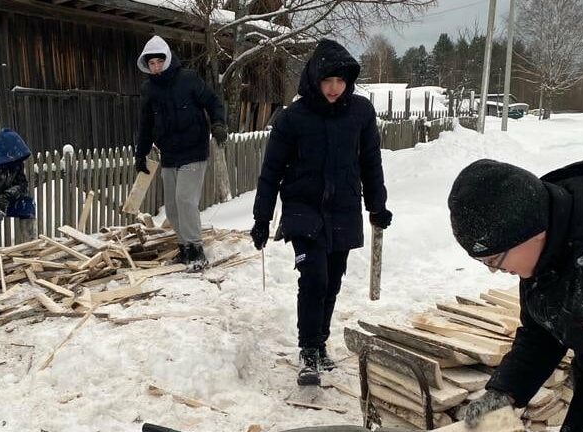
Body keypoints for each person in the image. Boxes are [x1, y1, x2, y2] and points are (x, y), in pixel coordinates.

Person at [250, 39, 392, 386]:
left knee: (333, 281)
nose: (333, 88)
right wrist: (261, 219)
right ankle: (308, 351)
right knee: (314, 279)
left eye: (340, 81)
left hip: (343, 210)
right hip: (303, 211)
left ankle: (321, 342)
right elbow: (272, 171)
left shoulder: (360, 112)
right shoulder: (293, 118)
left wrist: (377, 205)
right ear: (314, 78)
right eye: (327, 80)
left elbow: (370, 161)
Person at [448, 158, 583, 432]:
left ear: (532, 234)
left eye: (494, 259)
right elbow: (543, 332)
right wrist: (505, 393)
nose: (493, 271)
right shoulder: (544, 249)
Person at [134, 35, 228, 271]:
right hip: (169, 154)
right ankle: (184, 247)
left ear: (167, 60)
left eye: (159, 62)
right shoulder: (149, 90)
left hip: (194, 150)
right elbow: (145, 125)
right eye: (151, 64)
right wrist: (141, 154)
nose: (155, 68)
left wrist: (218, 123)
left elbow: (213, 101)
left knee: (186, 200)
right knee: (172, 206)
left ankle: (196, 249)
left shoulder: (188, 79)